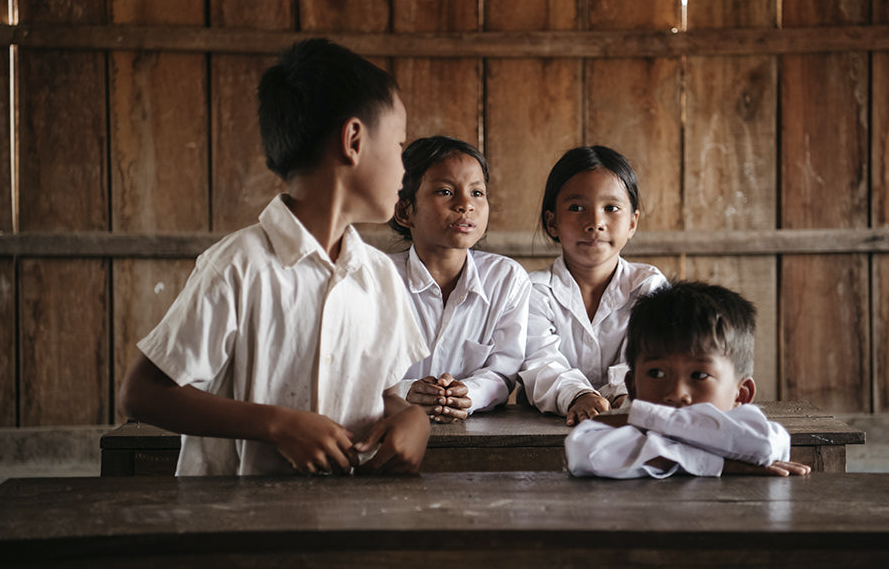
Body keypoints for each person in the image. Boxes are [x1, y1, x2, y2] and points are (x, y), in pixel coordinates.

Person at [118, 38, 431, 476]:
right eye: (399, 147)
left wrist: (413, 419)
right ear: (353, 140)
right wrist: (275, 424)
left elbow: (387, 396)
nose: (404, 170)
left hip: (347, 521)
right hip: (239, 529)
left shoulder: (378, 277)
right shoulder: (237, 267)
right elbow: (142, 393)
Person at [565, 281, 812, 479]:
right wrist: (718, 464)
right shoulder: (630, 433)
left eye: (699, 375)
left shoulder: (749, 427)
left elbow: (764, 448)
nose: (676, 393)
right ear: (632, 387)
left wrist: (650, 420)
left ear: (742, 394)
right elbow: (581, 450)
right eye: (656, 373)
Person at [518, 146, 668, 426]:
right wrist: (579, 396)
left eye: (611, 208)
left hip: (635, 425)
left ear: (632, 222)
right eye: (576, 208)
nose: (595, 222)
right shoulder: (533, 291)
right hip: (545, 432)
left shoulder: (650, 287)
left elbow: (652, 358)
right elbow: (539, 362)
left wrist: (626, 396)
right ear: (552, 222)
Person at [389, 136, 530, 423]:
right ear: (405, 211)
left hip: (473, 435)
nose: (465, 204)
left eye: (477, 193)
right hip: (389, 431)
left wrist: (468, 394)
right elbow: (357, 373)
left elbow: (503, 371)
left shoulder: (506, 279)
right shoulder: (377, 279)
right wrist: (405, 393)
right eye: (444, 191)